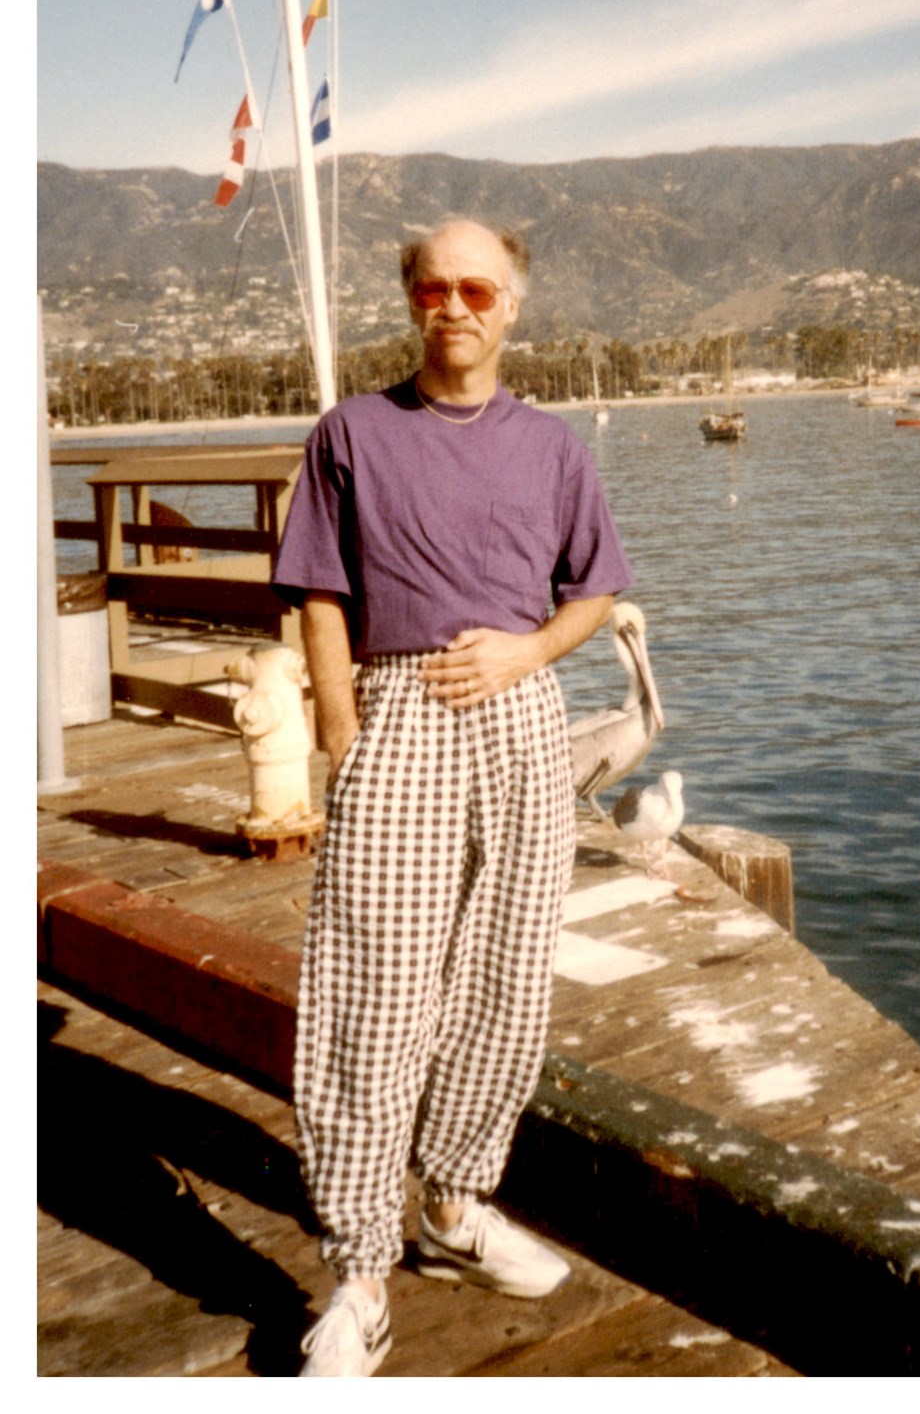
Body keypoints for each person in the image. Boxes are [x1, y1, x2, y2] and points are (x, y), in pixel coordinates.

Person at [272, 218, 633, 1376]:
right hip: (397, 714)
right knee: (372, 989)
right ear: (411, 302)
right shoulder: (353, 434)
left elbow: (592, 593)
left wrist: (529, 652)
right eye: (434, 288)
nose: (455, 306)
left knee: (506, 975)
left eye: (477, 289)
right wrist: (341, 733)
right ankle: (359, 1272)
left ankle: (454, 1206)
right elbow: (319, 594)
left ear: (511, 305)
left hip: (521, 719)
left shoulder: (553, 449)